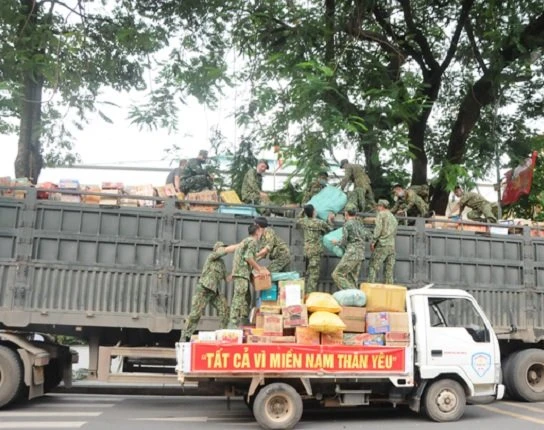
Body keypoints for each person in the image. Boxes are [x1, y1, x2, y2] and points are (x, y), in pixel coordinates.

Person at [181, 241, 238, 341]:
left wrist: (235, 272)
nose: (222, 249)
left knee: (224, 310)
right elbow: (224, 251)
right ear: (216, 250)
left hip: (214, 291)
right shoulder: (211, 257)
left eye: (223, 247)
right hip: (204, 289)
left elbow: (227, 279)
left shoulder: (222, 263)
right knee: (195, 314)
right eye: (220, 248)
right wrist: (238, 246)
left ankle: (223, 334)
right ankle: (185, 336)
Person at [228, 224, 268, 327]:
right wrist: (260, 270)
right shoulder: (252, 242)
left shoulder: (245, 241)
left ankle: (244, 320)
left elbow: (241, 257)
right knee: (239, 297)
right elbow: (248, 258)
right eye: (260, 231)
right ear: (257, 232)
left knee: (247, 298)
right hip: (242, 273)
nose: (261, 233)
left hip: (241, 273)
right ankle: (232, 323)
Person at [296, 204, 335, 294]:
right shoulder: (319, 223)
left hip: (307, 250)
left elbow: (297, 219)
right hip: (315, 251)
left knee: (310, 271)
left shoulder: (303, 221)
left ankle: (305, 292)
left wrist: (303, 210)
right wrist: (330, 220)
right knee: (314, 274)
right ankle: (310, 295)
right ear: (313, 212)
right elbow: (330, 229)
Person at [331, 205, 372, 290]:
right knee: (352, 278)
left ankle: (354, 293)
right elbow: (368, 236)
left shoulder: (347, 224)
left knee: (337, 274)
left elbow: (344, 241)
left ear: (346, 213)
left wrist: (336, 243)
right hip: (360, 254)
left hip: (352, 252)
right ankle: (355, 300)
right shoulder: (359, 223)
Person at [367, 199, 398, 284]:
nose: (377, 208)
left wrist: (373, 241)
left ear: (381, 206)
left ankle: (370, 287)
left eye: (378, 206)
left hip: (382, 244)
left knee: (372, 267)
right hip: (391, 246)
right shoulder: (393, 217)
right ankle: (389, 290)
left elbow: (378, 229)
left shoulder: (381, 214)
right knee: (389, 270)